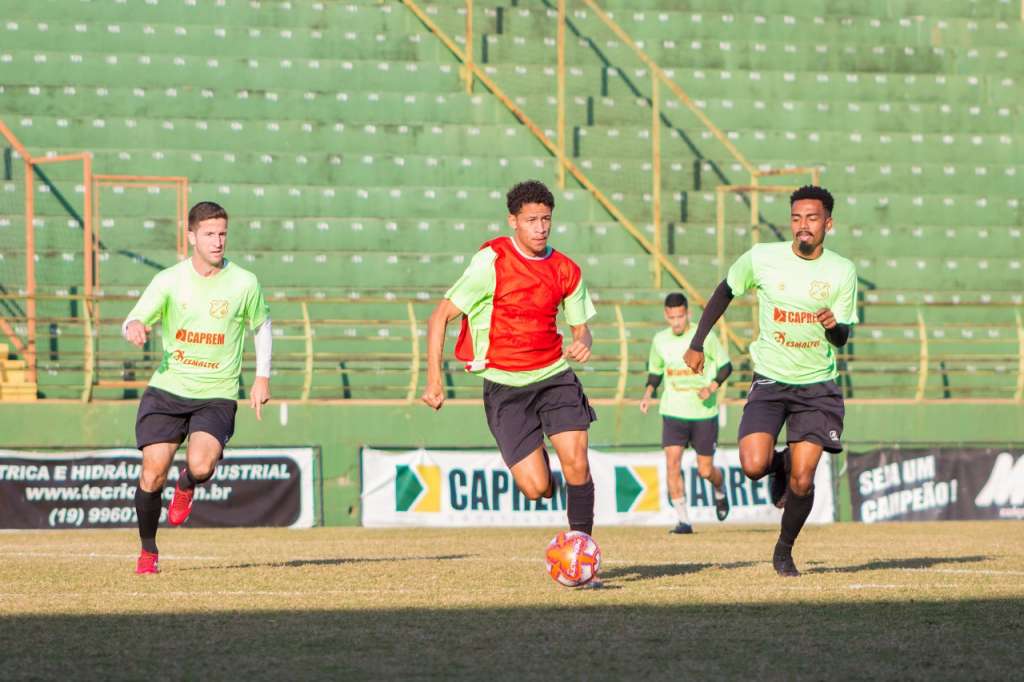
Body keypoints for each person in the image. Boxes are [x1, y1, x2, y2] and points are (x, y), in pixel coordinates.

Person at [684, 185, 856, 577]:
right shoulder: (762, 257)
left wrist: (833, 327)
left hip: (817, 388)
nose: (803, 226)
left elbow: (842, 337)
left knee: (804, 477)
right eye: (797, 218)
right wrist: (697, 343)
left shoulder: (841, 270)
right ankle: (779, 462)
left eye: (812, 219)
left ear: (828, 223)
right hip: (771, 381)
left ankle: (784, 549)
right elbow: (724, 291)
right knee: (753, 465)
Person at [422, 180, 598, 545]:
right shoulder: (492, 262)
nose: (541, 227)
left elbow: (582, 329)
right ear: (513, 221)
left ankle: (582, 550)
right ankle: (543, 468)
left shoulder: (566, 269)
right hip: (506, 386)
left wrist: (582, 341)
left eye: (546, 219)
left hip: (554, 377)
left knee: (577, 462)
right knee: (536, 489)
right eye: (532, 219)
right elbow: (439, 317)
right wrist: (434, 381)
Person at [122, 201, 271, 575]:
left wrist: (262, 376)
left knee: (202, 466)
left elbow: (262, 326)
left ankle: (187, 483)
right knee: (152, 474)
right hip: (168, 391)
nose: (217, 241)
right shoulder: (169, 279)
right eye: (209, 234)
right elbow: (134, 317)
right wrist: (135, 327)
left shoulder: (244, 282)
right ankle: (148, 551)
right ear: (191, 236)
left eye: (222, 233)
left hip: (217, 392)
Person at [640, 292, 732, 534]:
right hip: (673, 411)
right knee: (672, 463)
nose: (676, 322)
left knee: (705, 470)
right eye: (672, 317)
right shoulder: (660, 340)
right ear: (666, 316)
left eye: (680, 316)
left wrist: (711, 387)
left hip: (703, 413)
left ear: (687, 314)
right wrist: (648, 393)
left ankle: (720, 490)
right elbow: (655, 370)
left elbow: (726, 366)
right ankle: (683, 521)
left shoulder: (704, 337)